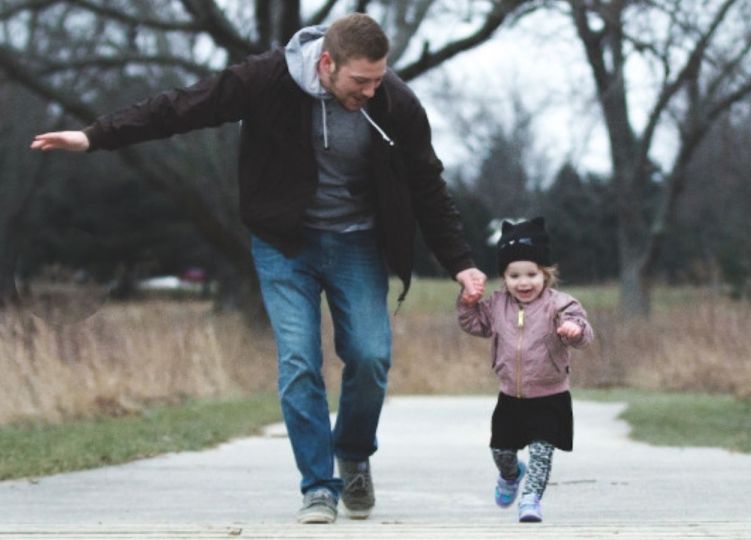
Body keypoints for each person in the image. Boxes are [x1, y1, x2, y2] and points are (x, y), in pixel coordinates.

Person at [31, 13, 486, 524]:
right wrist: (94, 136)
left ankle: (354, 453)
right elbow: (182, 107)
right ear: (327, 62)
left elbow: (428, 185)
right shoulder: (266, 78)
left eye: (378, 78)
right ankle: (318, 485)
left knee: (370, 356)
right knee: (298, 362)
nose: (370, 90)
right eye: (360, 81)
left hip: (356, 242)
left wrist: (462, 265)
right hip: (283, 243)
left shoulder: (394, 102)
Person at [457, 217, 593, 523]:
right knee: (501, 452)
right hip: (510, 397)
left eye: (532, 274)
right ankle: (510, 474)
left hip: (550, 397)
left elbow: (585, 332)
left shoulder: (560, 305)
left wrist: (574, 329)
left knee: (542, 454)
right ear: (504, 278)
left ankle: (531, 500)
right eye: (514, 275)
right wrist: (467, 304)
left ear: (545, 274)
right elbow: (472, 324)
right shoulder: (496, 306)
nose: (524, 282)